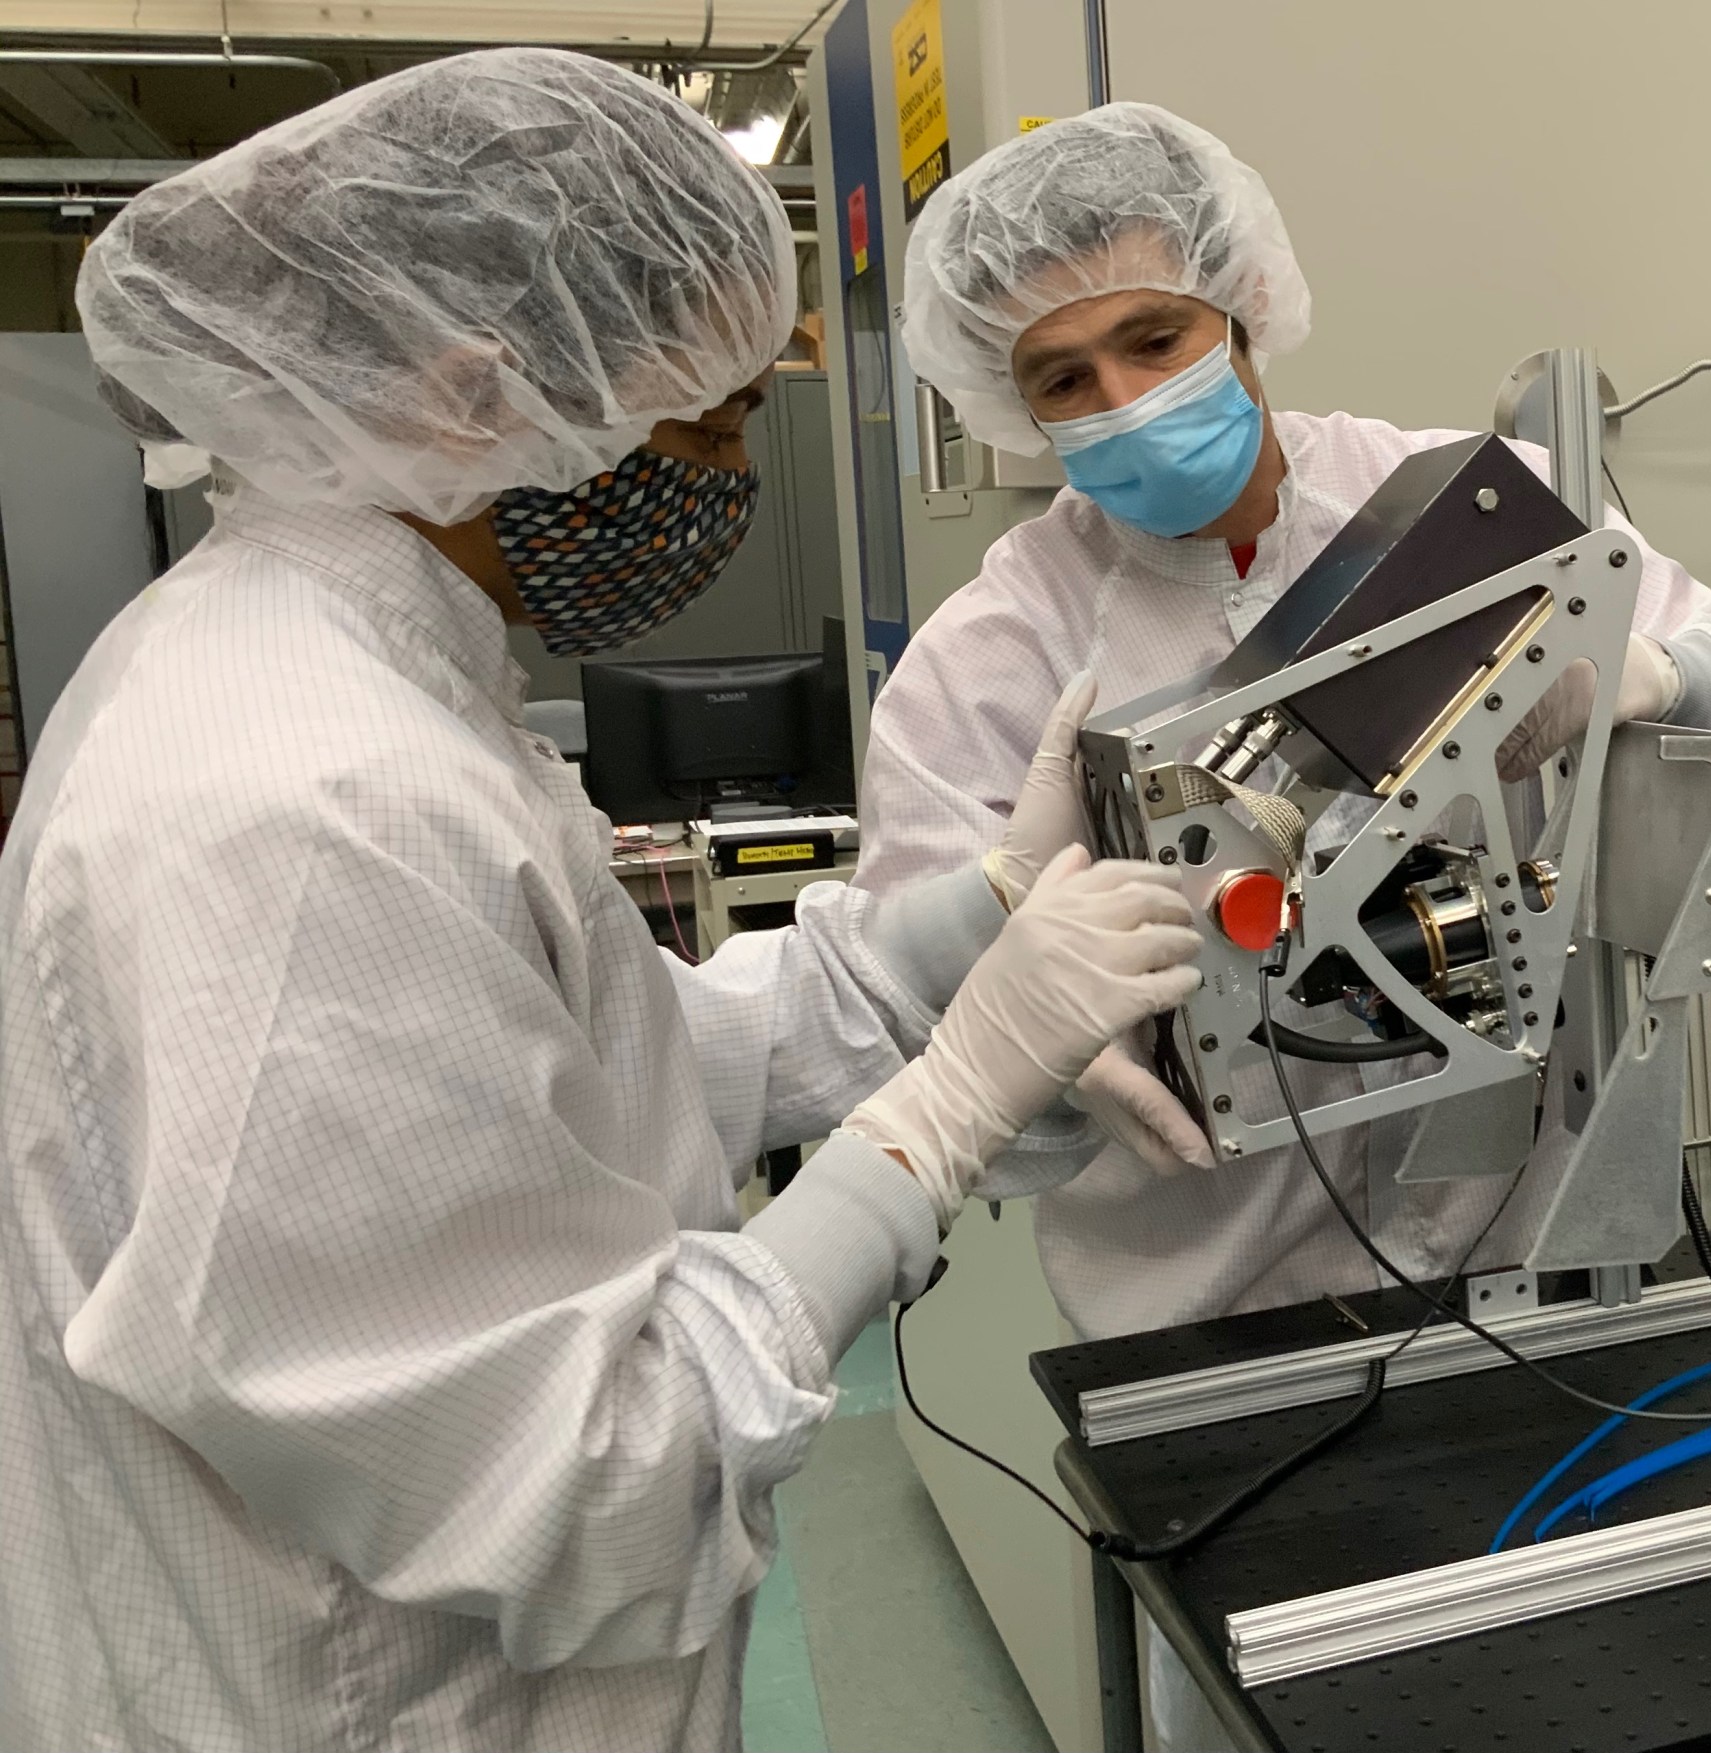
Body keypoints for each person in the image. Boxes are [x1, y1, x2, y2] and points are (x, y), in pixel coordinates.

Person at [0, 52, 1204, 1753]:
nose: (726, 477)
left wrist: (964, 922)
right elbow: (595, 1474)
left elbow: (586, 1067)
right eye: (703, 424)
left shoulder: (344, 668)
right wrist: (940, 1114)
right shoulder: (304, 801)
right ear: (477, 392)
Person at [859, 102, 1711, 1749]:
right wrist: (1041, 1048)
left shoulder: (1450, 505)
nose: (1123, 403)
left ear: (1241, 307)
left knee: (1592, 1686)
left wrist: (1653, 679)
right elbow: (901, 1016)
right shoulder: (991, 650)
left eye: (1153, 338)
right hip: (1201, 1333)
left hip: (1544, 1268)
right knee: (1258, 1706)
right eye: (1060, 378)